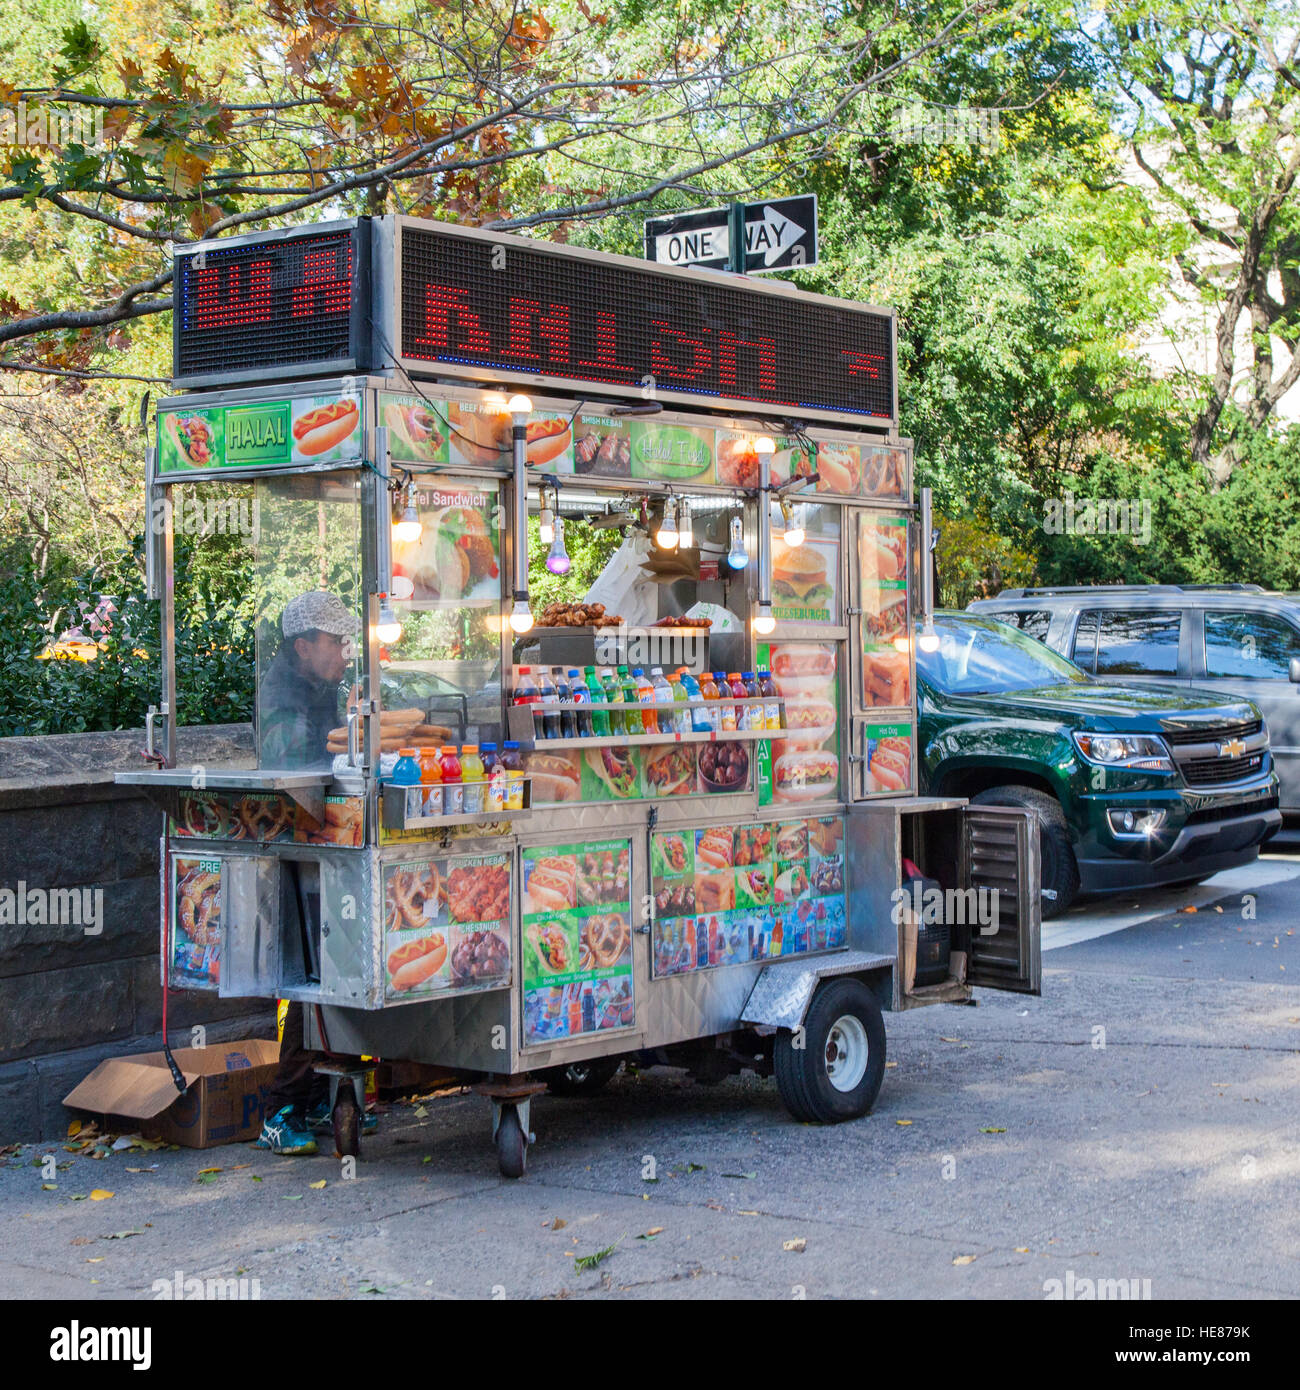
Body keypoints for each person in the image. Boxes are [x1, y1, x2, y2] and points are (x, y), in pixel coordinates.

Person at [254, 590, 372, 1154]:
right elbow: (295, 768)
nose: (346, 653)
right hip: (302, 847)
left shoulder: (323, 692)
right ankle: (283, 1108)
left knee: (338, 968)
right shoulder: (283, 698)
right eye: (336, 642)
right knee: (308, 981)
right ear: (304, 646)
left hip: (327, 843)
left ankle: (332, 1096)